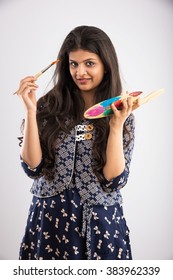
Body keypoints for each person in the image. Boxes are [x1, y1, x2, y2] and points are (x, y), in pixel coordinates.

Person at [17, 25, 140, 260]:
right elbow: (32, 168)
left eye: (89, 63)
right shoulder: (46, 107)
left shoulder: (122, 113)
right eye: (74, 64)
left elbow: (114, 181)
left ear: (106, 65)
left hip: (101, 226)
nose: (80, 71)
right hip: (50, 222)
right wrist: (30, 111)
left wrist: (115, 127)